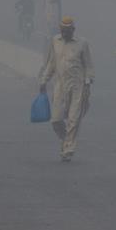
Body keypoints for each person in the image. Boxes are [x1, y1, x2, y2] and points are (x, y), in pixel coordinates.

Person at [39, 16, 95, 162]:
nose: (65, 33)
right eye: (63, 30)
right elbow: (51, 63)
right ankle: (66, 140)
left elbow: (89, 65)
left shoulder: (82, 43)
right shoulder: (55, 41)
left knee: (73, 119)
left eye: (68, 31)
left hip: (78, 85)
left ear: (73, 30)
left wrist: (88, 82)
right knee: (56, 120)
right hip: (60, 85)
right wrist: (44, 81)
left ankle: (68, 148)